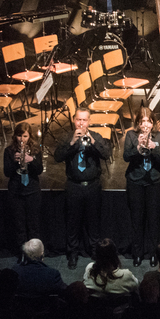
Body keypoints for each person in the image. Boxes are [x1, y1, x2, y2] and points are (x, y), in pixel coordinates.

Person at [53, 108, 112, 269]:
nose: (81, 123)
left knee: (93, 222)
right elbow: (57, 157)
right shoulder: (67, 137)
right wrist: (72, 143)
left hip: (92, 186)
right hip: (74, 186)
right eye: (78, 120)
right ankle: (72, 253)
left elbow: (106, 154)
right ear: (74, 120)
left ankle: (95, 253)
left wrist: (92, 141)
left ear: (89, 122)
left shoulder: (96, 136)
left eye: (84, 120)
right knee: (73, 222)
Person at [123, 108, 160, 267]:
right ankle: (138, 254)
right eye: (143, 122)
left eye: (149, 121)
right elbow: (126, 157)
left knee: (154, 220)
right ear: (138, 123)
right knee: (137, 219)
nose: (146, 125)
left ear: (153, 123)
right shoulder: (130, 135)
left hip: (154, 182)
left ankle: (154, 253)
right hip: (135, 181)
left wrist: (152, 148)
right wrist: (137, 147)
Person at [3, 123, 43, 252]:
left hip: (32, 191)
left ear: (29, 136)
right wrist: (15, 163)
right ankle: (23, 254)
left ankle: (35, 254)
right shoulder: (9, 151)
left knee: (34, 226)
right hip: (16, 192)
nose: (22, 139)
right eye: (19, 136)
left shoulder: (36, 150)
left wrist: (31, 160)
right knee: (19, 226)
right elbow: (7, 173)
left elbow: (39, 170)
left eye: (25, 136)